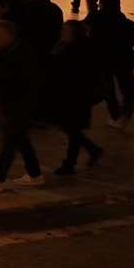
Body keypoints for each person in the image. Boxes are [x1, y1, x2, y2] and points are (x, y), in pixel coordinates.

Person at [0, 19, 47, 191]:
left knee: (11, 140)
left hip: (20, 103)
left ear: (9, 35)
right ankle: (35, 174)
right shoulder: (5, 51)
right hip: (10, 103)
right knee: (20, 138)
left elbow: (28, 81)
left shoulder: (22, 54)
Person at [49, 19, 104, 176]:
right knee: (71, 129)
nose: (61, 31)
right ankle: (91, 151)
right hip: (70, 96)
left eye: (65, 30)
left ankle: (70, 163)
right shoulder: (69, 48)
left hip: (77, 97)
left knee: (72, 129)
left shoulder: (80, 52)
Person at [87, 2, 134, 126]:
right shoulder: (127, 23)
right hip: (123, 60)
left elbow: (83, 31)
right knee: (128, 88)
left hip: (103, 60)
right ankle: (126, 114)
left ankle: (115, 114)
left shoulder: (94, 18)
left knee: (108, 89)